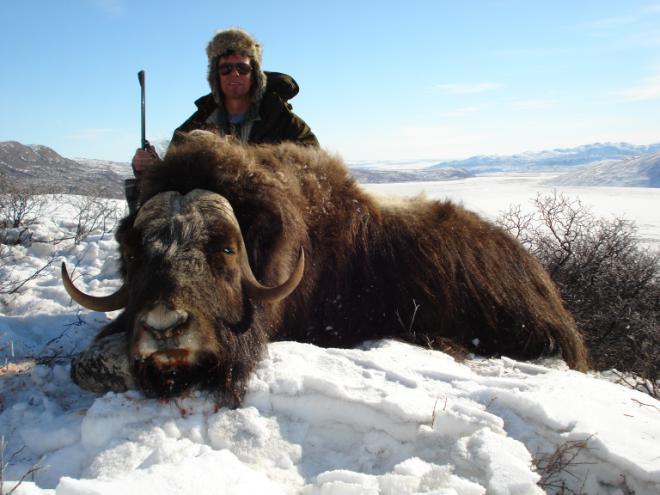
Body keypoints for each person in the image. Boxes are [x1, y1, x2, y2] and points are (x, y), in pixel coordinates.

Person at [127, 27, 318, 210]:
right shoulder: (193, 126)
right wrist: (149, 169)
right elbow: (173, 183)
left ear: (255, 75)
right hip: (213, 228)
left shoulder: (285, 122)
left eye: (242, 68)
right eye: (225, 68)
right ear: (216, 76)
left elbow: (315, 172)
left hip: (271, 226)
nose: (234, 73)